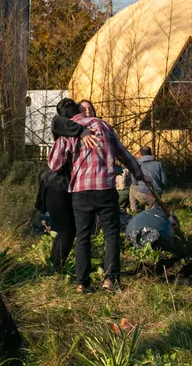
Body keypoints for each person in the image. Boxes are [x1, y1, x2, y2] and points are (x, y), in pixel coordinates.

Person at [47, 101, 145, 293]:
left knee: (83, 236)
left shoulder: (69, 133)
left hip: (81, 191)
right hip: (105, 188)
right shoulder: (104, 125)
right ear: (80, 110)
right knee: (111, 235)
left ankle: (82, 283)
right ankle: (110, 280)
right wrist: (138, 173)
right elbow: (123, 154)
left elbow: (54, 164)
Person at [34, 98, 100, 274]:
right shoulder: (67, 128)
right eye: (83, 109)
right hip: (56, 186)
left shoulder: (100, 130)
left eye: (90, 109)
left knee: (69, 228)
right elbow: (57, 120)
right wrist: (82, 131)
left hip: (68, 188)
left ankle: (56, 267)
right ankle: (56, 270)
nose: (87, 112)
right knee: (67, 228)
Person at [129, 146, 168, 212]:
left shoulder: (136, 164)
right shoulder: (158, 164)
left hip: (142, 196)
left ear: (139, 154)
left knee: (132, 186)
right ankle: (152, 207)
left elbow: (134, 182)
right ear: (151, 154)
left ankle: (134, 209)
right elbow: (164, 182)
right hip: (156, 196)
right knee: (150, 211)